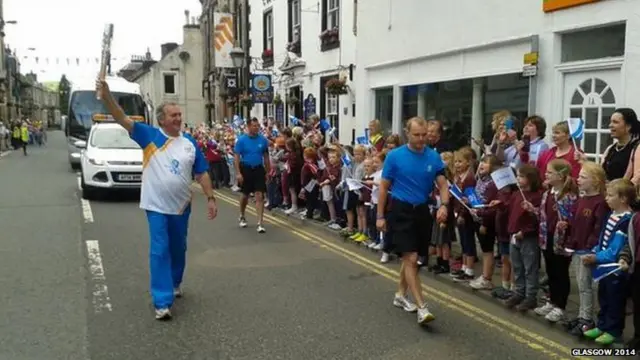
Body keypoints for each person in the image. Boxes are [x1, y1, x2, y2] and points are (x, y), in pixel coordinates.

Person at [95, 78, 218, 320]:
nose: (178, 118)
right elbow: (121, 117)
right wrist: (107, 96)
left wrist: (211, 198)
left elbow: (201, 172)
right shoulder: (147, 135)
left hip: (181, 206)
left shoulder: (189, 143)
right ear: (161, 119)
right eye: (173, 115)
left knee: (178, 248)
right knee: (160, 249)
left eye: (179, 114)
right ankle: (162, 301)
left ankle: (175, 281)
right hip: (155, 205)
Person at [377, 117, 449, 325]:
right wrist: (380, 216)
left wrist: (444, 205)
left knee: (413, 260)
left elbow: (443, 184)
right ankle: (422, 307)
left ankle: (400, 295)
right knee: (411, 257)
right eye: (416, 135)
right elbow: (383, 187)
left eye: (424, 134)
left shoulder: (433, 157)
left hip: (422, 212)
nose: (421, 139)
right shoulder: (395, 156)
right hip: (401, 210)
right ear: (407, 133)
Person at [234, 117, 270, 233]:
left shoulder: (263, 140)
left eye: (257, 125)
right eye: (254, 125)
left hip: (258, 169)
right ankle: (242, 215)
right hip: (246, 169)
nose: (256, 128)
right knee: (245, 195)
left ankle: (260, 222)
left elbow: (266, 157)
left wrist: (268, 172)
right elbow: (236, 158)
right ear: (248, 126)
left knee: (259, 195)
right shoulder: (241, 140)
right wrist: (238, 173)